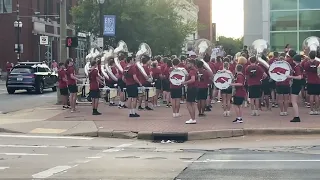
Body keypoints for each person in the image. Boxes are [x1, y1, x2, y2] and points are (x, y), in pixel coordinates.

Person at [287, 54, 303, 122]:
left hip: (296, 85)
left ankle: (296, 116)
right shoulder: (299, 66)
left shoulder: (297, 67)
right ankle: (296, 116)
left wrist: (290, 77)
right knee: (294, 101)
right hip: (297, 85)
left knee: (294, 102)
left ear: (294, 60)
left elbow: (299, 77)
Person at [303, 51, 320, 115]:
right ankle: (317, 110)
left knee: (311, 96)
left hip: (310, 81)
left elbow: (305, 71)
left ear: (309, 56)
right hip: (317, 81)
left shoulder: (307, 63)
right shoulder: (318, 63)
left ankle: (312, 110)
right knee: (317, 96)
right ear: (315, 55)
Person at [182, 59, 198, 124]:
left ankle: (192, 118)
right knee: (192, 103)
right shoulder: (195, 70)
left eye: (188, 63)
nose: (187, 64)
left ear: (192, 64)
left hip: (191, 88)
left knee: (189, 103)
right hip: (194, 88)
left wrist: (185, 82)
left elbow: (193, 79)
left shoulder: (192, 71)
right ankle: (193, 118)